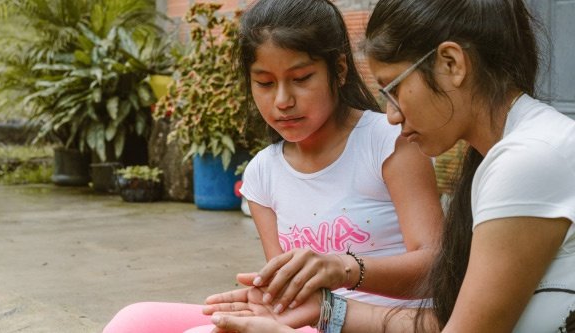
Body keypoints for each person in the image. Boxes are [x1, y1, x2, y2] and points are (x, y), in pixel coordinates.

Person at [202, 0, 575, 332]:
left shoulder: (528, 160)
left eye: (393, 89)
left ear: (452, 64)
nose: (392, 116)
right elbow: (442, 322)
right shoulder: (505, 154)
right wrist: (325, 309)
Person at [103, 0, 443, 332]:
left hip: (382, 323)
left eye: (301, 78)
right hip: (304, 321)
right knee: (134, 321)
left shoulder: (388, 142)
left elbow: (435, 269)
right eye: (265, 83)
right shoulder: (262, 173)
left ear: (338, 70)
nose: (283, 101)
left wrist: (343, 268)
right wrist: (268, 299)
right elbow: (285, 294)